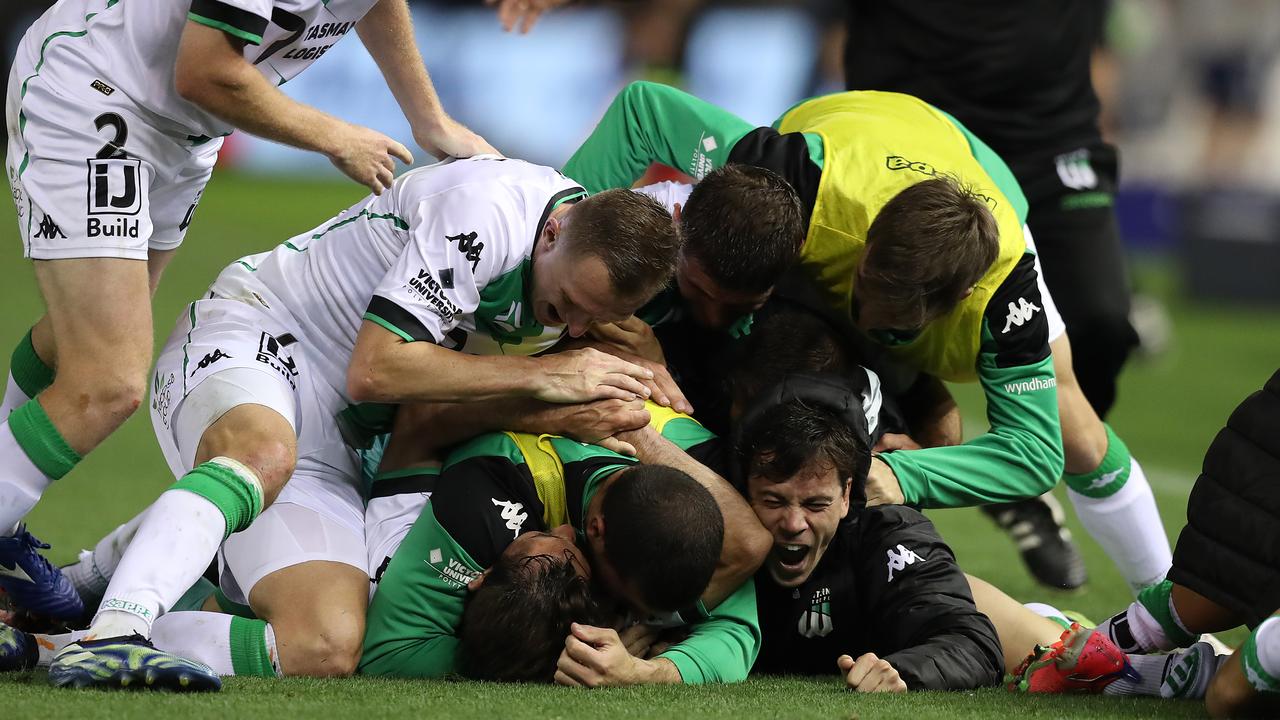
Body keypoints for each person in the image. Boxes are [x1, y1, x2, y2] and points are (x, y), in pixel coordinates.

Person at [41, 156, 678, 691]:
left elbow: (431, 396)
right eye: (566, 303)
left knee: (324, 645)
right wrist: (545, 378)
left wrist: (643, 369)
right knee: (263, 452)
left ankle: (48, 633)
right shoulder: (485, 214)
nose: (568, 327)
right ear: (552, 233)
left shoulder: (585, 268)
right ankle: (113, 632)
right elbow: (375, 372)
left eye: (585, 319)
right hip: (261, 336)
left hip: (337, 441)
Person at [563, 82, 1172, 595]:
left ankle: (1171, 604)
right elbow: (643, 110)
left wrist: (907, 476)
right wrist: (557, 220)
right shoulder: (794, 177)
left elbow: (1037, 454)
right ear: (868, 243)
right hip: (850, 157)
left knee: (1076, 432)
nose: (858, 311)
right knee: (712, 322)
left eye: (885, 317)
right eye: (860, 286)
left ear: (952, 303)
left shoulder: (1003, 296)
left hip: (983, 182)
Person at [0, 0, 495, 622]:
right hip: (101, 93)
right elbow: (205, 69)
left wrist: (430, 119)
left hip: (185, 130)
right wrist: (335, 135)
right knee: (105, 380)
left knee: (83, 337)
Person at [842, 0, 1130, 593]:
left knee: (1101, 324)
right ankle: (884, 536)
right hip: (914, 133)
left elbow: (1098, 35)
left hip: (1050, 133)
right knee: (877, 336)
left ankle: (1018, 472)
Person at [360, 405, 766, 685]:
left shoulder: (703, 507)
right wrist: (557, 654)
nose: (564, 534)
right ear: (596, 529)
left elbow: (735, 634)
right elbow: (391, 651)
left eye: (639, 613)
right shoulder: (493, 494)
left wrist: (642, 673)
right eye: (621, 602)